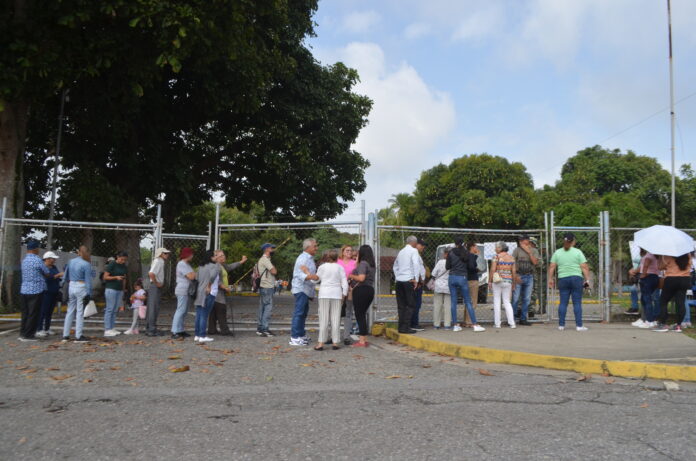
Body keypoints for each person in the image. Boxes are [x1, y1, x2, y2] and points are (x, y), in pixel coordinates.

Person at [547, 233, 591, 331]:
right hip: (576, 279)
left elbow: (552, 267)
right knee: (577, 303)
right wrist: (587, 280)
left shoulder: (557, 252)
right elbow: (584, 267)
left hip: (563, 279)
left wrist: (550, 279)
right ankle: (579, 326)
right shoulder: (578, 252)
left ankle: (561, 325)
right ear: (573, 241)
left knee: (563, 302)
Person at [446, 237, 485, 332]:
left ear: (455, 243)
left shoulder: (451, 253)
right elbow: (470, 265)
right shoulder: (466, 253)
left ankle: (455, 325)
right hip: (462, 277)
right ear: (463, 243)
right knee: (468, 301)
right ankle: (475, 325)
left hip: (452, 277)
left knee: (453, 302)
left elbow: (447, 267)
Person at [313, 249, 348, 351]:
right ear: (337, 258)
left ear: (327, 257)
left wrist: (309, 275)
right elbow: (344, 283)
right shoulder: (340, 267)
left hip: (324, 293)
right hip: (337, 294)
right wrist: (344, 294)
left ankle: (321, 343)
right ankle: (335, 342)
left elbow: (316, 279)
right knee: (336, 319)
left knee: (323, 318)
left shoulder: (322, 267)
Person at [19, 240, 51, 341]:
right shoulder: (37, 260)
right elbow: (47, 273)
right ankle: (28, 335)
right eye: (38, 248)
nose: (39, 250)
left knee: (25, 313)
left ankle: (23, 333)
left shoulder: (24, 260)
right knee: (33, 313)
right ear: (35, 249)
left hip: (24, 289)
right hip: (36, 290)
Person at [208, 250, 247, 336]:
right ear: (216, 258)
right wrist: (225, 287)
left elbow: (230, 267)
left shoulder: (222, 266)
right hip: (218, 292)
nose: (224, 257)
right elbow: (215, 280)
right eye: (221, 256)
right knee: (221, 309)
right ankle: (224, 330)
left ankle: (212, 329)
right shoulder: (217, 267)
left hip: (217, 292)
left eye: (223, 255)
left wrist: (241, 261)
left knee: (213, 311)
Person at [652, 252, 692, 333]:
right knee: (680, 302)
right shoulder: (688, 255)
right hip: (685, 279)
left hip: (672, 279)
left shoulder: (669, 254)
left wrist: (660, 257)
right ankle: (678, 326)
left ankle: (662, 324)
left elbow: (660, 267)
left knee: (663, 301)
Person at [290, 238, 319, 346]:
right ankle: (295, 337)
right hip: (301, 289)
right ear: (308, 247)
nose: (317, 248)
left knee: (303, 313)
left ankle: (301, 334)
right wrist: (311, 276)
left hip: (305, 290)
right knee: (299, 312)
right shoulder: (303, 258)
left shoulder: (309, 258)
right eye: (315, 246)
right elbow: (298, 274)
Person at [62, 245, 93, 343]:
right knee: (79, 312)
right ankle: (78, 336)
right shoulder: (86, 264)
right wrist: (89, 293)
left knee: (70, 310)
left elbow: (65, 275)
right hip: (81, 286)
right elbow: (88, 281)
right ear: (87, 252)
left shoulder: (71, 261)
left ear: (78, 252)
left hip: (71, 285)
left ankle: (65, 335)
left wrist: (62, 284)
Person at [348, 245, 376, 347]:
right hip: (369, 290)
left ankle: (362, 341)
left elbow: (361, 278)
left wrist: (350, 275)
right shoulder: (371, 265)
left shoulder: (363, 263)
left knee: (360, 315)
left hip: (361, 290)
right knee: (362, 314)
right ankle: (363, 338)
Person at [392, 236, 420, 334]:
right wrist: (416, 279)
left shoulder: (401, 252)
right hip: (408, 280)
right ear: (414, 243)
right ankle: (406, 327)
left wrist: (397, 276)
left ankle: (401, 327)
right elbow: (416, 264)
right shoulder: (414, 251)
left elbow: (395, 266)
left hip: (399, 281)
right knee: (410, 304)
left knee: (401, 305)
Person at [512, 234, 540, 326]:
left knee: (527, 299)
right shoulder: (517, 250)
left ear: (527, 241)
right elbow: (512, 263)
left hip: (529, 276)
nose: (520, 242)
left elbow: (535, 262)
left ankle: (523, 319)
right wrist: (515, 275)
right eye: (520, 241)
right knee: (515, 298)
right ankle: (512, 318)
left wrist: (529, 252)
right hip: (519, 276)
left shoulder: (534, 250)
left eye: (522, 240)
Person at [193, 250, 219, 343]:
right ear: (211, 257)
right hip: (209, 292)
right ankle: (202, 335)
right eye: (215, 255)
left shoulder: (201, 266)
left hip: (199, 291)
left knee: (199, 313)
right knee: (204, 314)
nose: (217, 257)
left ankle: (197, 334)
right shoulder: (215, 266)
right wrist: (208, 286)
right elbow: (212, 277)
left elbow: (197, 278)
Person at [630, 248, 659, 329]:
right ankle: (648, 319)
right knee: (644, 299)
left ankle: (649, 321)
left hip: (648, 277)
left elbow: (645, 265)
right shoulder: (654, 255)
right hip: (653, 277)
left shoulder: (649, 255)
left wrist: (643, 275)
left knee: (647, 299)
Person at [36, 251, 63, 337]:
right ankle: (39, 329)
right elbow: (45, 279)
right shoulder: (43, 267)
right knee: (43, 311)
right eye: (53, 258)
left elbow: (55, 277)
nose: (54, 260)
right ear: (47, 259)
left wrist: (59, 278)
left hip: (54, 291)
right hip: (46, 292)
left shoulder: (54, 267)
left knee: (50, 312)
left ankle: (47, 328)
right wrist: (57, 275)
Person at [490, 242, 516, 329]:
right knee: (507, 302)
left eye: (496, 248)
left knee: (497, 301)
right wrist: (514, 283)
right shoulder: (511, 258)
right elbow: (514, 272)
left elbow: (493, 269)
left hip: (497, 281)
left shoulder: (496, 257)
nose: (495, 249)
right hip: (508, 281)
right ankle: (512, 323)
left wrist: (490, 281)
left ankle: (497, 324)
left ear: (500, 248)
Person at [102, 251, 128, 337]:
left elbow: (124, 278)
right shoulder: (112, 264)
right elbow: (105, 277)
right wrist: (115, 277)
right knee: (110, 309)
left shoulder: (124, 266)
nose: (123, 261)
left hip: (119, 290)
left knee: (115, 309)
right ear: (117, 257)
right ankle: (107, 329)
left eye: (124, 260)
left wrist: (124, 289)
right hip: (111, 289)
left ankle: (112, 328)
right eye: (121, 259)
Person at [146, 247, 170, 336]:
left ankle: (150, 328)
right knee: (153, 308)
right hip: (155, 286)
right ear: (160, 254)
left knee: (152, 307)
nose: (167, 254)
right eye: (165, 253)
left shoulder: (159, 261)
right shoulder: (158, 261)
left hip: (154, 286)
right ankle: (151, 330)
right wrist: (156, 283)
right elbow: (151, 273)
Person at [172, 247, 195, 339]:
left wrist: (193, 274)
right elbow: (191, 276)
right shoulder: (182, 264)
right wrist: (193, 274)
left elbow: (193, 275)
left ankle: (180, 330)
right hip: (182, 289)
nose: (192, 256)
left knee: (184, 311)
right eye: (191, 254)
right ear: (188, 255)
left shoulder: (186, 264)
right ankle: (175, 331)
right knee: (180, 310)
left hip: (186, 290)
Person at [256, 243, 278, 337]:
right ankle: (264, 329)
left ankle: (260, 328)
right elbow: (274, 271)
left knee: (263, 308)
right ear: (267, 249)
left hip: (264, 286)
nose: (273, 250)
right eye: (272, 248)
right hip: (267, 287)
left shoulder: (264, 259)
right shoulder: (265, 260)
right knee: (267, 308)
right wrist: (272, 266)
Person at [337, 245, 357, 344]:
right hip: (338, 290)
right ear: (343, 252)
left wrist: (352, 286)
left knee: (348, 312)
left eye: (351, 250)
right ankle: (334, 336)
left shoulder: (355, 263)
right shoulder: (337, 262)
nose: (349, 252)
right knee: (336, 313)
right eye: (347, 250)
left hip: (349, 290)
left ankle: (346, 337)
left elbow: (356, 276)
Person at [430, 249, 451, 329]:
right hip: (448, 286)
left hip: (438, 286)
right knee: (448, 306)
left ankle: (436, 324)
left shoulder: (440, 262)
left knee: (437, 305)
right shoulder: (453, 263)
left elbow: (433, 273)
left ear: (445, 254)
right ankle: (447, 325)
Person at [410, 238, 427, 331]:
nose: (423, 248)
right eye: (422, 246)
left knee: (416, 304)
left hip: (418, 282)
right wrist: (419, 280)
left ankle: (413, 323)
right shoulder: (415, 253)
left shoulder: (416, 254)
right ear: (417, 244)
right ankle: (414, 324)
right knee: (416, 304)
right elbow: (416, 268)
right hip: (417, 283)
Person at [465, 242, 480, 326]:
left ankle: (466, 320)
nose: (477, 249)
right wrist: (477, 270)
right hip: (472, 279)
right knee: (473, 301)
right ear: (472, 247)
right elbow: (471, 267)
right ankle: (470, 321)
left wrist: (476, 256)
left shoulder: (467, 255)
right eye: (476, 247)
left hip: (467, 279)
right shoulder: (471, 255)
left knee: (468, 301)